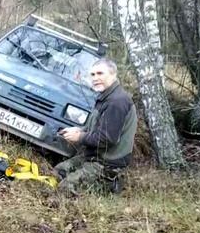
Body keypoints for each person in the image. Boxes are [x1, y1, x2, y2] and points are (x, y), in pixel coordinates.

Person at [55, 58, 138, 194]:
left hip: (107, 166)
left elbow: (107, 139)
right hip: (93, 157)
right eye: (92, 75)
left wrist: (80, 137)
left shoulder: (117, 102)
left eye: (100, 74)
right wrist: (79, 130)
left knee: (64, 190)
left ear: (113, 74)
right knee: (58, 172)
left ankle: (110, 186)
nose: (95, 78)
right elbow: (98, 128)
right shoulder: (105, 97)